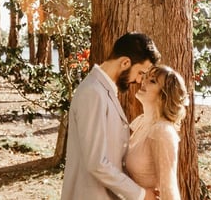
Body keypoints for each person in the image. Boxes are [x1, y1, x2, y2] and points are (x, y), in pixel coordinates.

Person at [61, 32, 162, 200]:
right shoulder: (93, 92)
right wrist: (141, 194)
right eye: (140, 73)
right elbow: (97, 163)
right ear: (125, 62)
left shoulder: (103, 90)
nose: (139, 81)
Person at [125, 65, 188, 200]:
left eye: (152, 81)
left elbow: (168, 188)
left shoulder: (162, 132)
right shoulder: (142, 123)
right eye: (146, 78)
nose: (143, 81)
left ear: (164, 96)